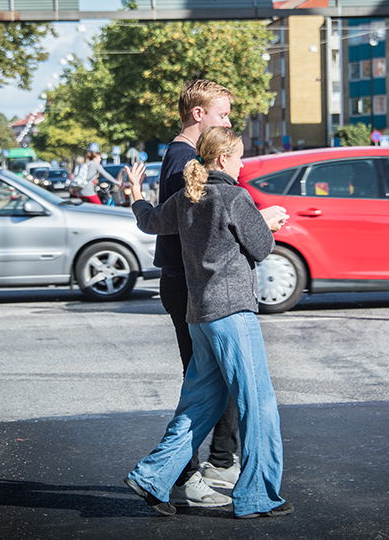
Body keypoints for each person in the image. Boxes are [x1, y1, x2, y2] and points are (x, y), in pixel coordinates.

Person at [123, 126, 291, 519]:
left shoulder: (186, 197)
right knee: (258, 403)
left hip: (198, 314)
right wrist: (269, 224)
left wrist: (135, 195)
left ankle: (152, 477)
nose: (242, 162)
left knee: (201, 404)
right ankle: (258, 497)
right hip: (233, 313)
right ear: (222, 160)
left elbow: (148, 222)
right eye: (238, 156)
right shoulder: (235, 196)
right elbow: (262, 248)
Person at [148, 79, 242, 508]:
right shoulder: (184, 158)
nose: (227, 122)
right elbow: (182, 222)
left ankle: (219, 461)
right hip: (186, 283)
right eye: (221, 114)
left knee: (212, 378)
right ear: (198, 114)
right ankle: (183, 474)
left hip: (186, 281)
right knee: (202, 383)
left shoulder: (180, 156)